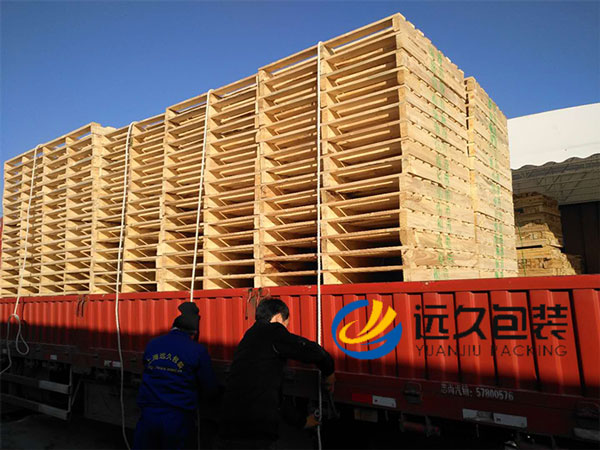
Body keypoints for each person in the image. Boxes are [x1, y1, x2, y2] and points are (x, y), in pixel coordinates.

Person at [218, 297, 335, 449]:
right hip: (255, 431)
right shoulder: (273, 331)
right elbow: (308, 350)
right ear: (279, 317)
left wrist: (302, 421)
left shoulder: (249, 336)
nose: (286, 330)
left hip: (230, 426)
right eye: (286, 324)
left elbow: (272, 392)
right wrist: (329, 370)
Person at [133, 302, 218, 450]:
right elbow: (209, 387)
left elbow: (145, 369)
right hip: (177, 418)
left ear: (173, 327)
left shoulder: (153, 344)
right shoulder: (197, 350)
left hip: (148, 415)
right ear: (194, 332)